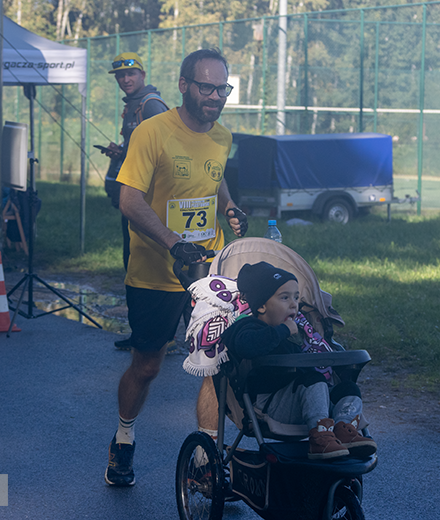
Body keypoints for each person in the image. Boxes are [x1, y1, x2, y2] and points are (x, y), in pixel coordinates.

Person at [104, 48, 247, 487]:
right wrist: (173, 243)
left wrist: (229, 206)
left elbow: (215, 176)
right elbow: (129, 200)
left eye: (222, 89)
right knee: (147, 365)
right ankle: (123, 437)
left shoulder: (222, 136)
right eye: (206, 87)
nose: (215, 96)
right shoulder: (152, 131)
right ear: (184, 85)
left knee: (215, 362)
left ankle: (205, 462)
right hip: (155, 272)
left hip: (208, 270)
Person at [221, 261, 377, 459]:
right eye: (284, 297)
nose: (294, 304)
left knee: (348, 388)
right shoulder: (246, 328)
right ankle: (319, 438)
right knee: (312, 380)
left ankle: (343, 429)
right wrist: (283, 330)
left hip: (305, 403)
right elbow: (248, 346)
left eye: (296, 297)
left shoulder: (295, 337)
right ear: (261, 306)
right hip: (270, 407)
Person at [100, 52, 169, 351]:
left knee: (148, 266)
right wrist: (122, 151)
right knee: (134, 264)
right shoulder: (132, 106)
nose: (125, 79)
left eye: (130, 74)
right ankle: (142, 333)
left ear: (142, 75)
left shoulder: (150, 105)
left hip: (147, 199)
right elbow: (139, 148)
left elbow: (161, 149)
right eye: (120, 75)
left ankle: (160, 336)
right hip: (134, 195)